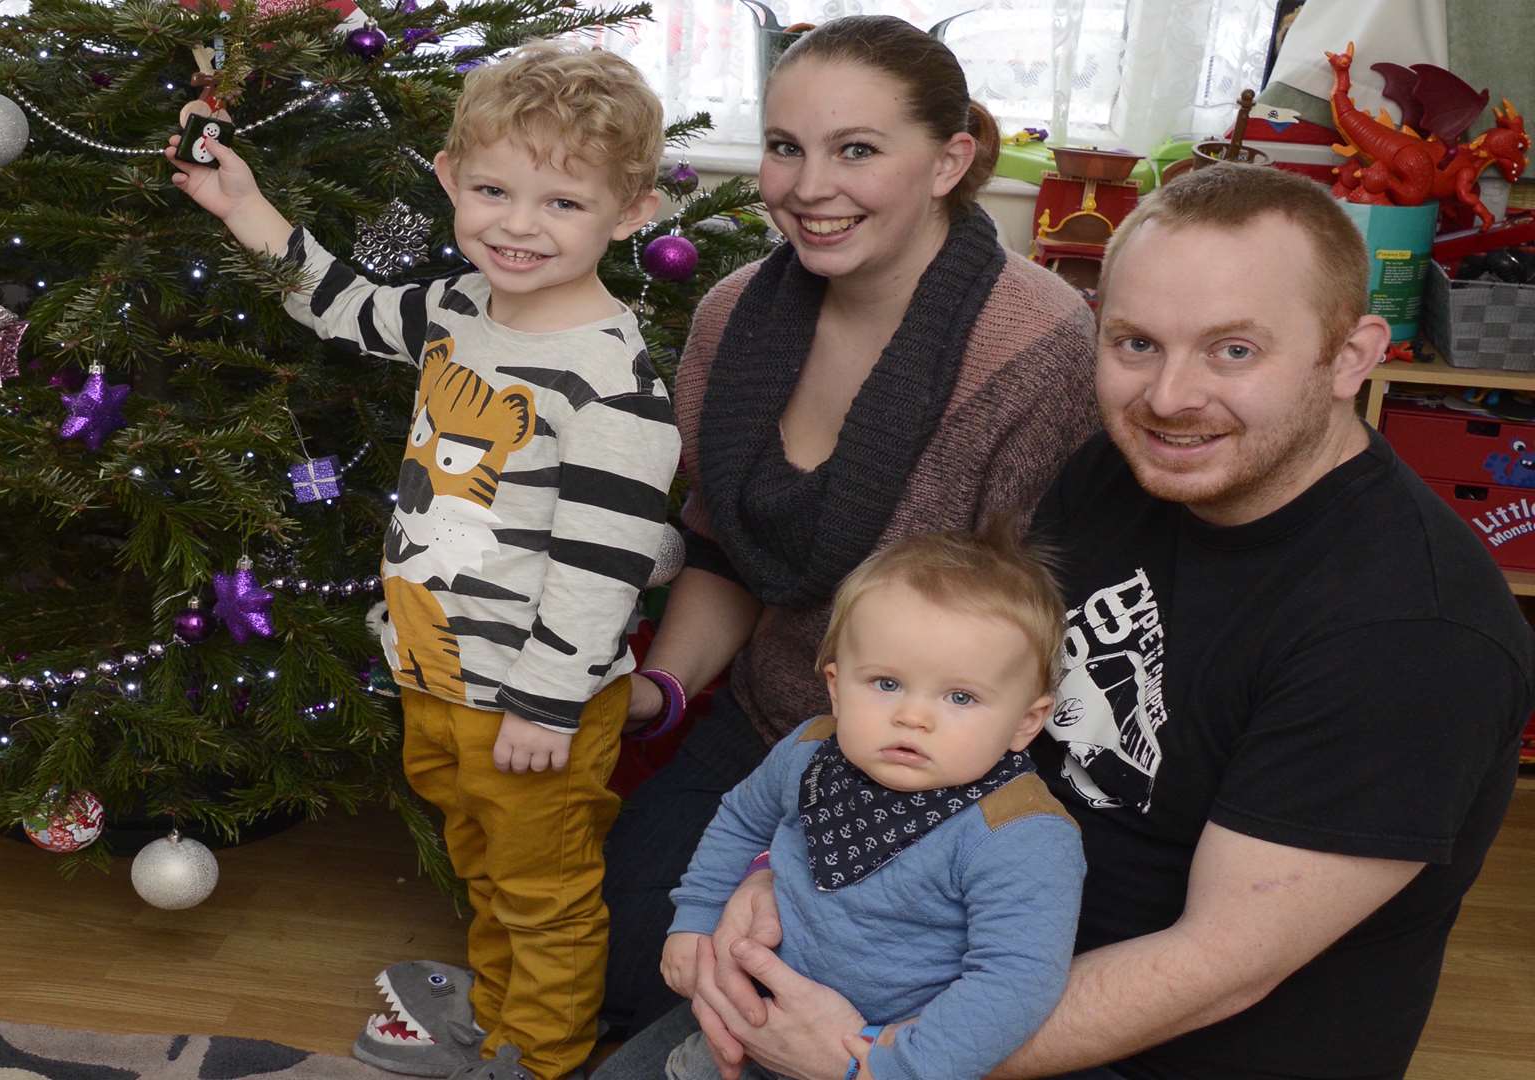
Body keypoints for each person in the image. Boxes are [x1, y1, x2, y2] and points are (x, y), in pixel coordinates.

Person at [602, 163, 1533, 1080]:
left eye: (1233, 351)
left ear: (1353, 356)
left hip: (1138, 1049)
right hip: (938, 952)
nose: (1168, 398)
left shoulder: (1413, 635)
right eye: (1135, 345)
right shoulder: (1121, 474)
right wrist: (785, 878)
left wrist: (877, 1059)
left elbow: (1215, 974)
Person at [167, 41, 678, 1080]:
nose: (518, 225)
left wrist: (544, 702)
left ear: (630, 213)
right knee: (487, 873)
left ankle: (540, 1058)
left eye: (561, 204)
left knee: (545, 893)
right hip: (436, 676)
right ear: (449, 179)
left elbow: (600, 568)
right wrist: (242, 208)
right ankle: (498, 1021)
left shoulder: (611, 382)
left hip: (533, 705)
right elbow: (337, 301)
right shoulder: (458, 311)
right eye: (492, 189)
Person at [602, 14, 1100, 1038]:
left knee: (798, 996)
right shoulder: (732, 316)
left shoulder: (1040, 347)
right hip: (773, 733)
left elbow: (1030, 627)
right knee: (629, 968)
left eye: (857, 150)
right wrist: (659, 690)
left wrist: (812, 874)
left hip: (944, 765)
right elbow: (722, 547)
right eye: (786, 147)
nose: (808, 187)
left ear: (950, 161)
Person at [661, 527, 1085, 1080]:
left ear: (1026, 722)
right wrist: (696, 915)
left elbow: (1014, 979)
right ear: (836, 687)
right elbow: (742, 821)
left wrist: (897, 1068)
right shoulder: (812, 749)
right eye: (886, 683)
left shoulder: (1021, 833)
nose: (913, 716)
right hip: (750, 1018)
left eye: (960, 697)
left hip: (880, 1059)